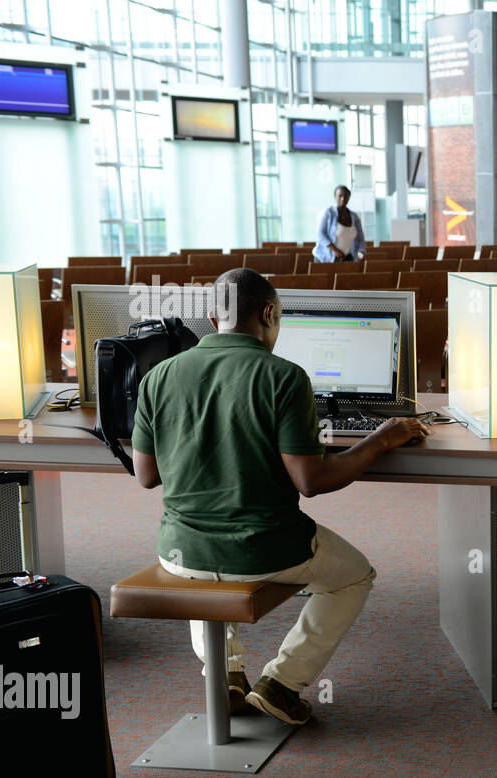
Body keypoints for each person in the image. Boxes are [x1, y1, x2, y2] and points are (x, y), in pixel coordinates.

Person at [130, 268, 431, 725]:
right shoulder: (285, 377)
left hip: (180, 551)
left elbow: (146, 475)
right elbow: (312, 481)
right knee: (354, 576)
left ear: (213, 317)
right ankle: (282, 682)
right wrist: (380, 440)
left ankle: (226, 674)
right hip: (264, 548)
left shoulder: (159, 377)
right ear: (269, 313)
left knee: (199, 562)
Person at [314, 185, 366, 263]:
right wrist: (336, 250)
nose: (343, 198)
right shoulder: (328, 213)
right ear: (335, 197)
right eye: (340, 196)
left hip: (347, 258)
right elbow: (320, 234)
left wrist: (361, 252)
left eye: (346, 196)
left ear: (349, 198)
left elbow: (360, 238)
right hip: (326, 259)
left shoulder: (354, 217)